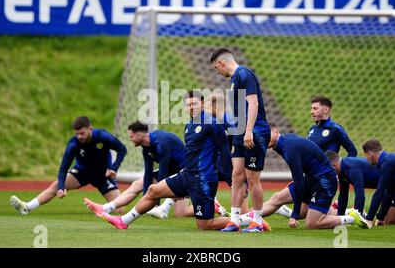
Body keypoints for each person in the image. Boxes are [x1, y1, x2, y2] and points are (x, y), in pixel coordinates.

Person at [98, 91, 269, 231]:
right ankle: (123, 221)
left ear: (202, 104)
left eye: (194, 103)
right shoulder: (189, 125)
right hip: (187, 174)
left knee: (204, 225)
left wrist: (231, 180)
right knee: (152, 190)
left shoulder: (212, 124)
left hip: (203, 180)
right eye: (188, 104)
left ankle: (249, 220)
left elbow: (224, 152)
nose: (191, 107)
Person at [247, 123, 368, 229]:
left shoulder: (289, 147)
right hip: (311, 179)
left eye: (266, 134)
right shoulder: (284, 144)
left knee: (312, 224)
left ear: (276, 132)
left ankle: (351, 217)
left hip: (324, 181)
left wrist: (294, 215)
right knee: (277, 198)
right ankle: (241, 218)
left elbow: (299, 182)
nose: (263, 138)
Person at [10, 116, 127, 215]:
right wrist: (61, 187)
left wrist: (114, 167)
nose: (80, 136)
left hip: (103, 175)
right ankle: (26, 207)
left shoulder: (102, 136)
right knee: (55, 186)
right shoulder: (73, 144)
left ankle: (101, 210)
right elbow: (63, 168)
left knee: (120, 209)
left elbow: (122, 149)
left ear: (90, 129)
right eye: (77, 134)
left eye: (82, 133)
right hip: (81, 173)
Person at [211, 48, 270, 233]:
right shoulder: (234, 80)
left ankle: (258, 222)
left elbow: (254, 103)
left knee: (252, 179)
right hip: (239, 131)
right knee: (236, 176)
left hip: (254, 132)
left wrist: (249, 131)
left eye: (216, 68)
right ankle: (235, 220)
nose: (217, 72)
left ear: (221, 63)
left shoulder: (244, 74)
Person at [84, 121, 190, 218]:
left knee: (181, 213)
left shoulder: (161, 142)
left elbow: (164, 169)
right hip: (172, 170)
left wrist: (156, 197)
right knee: (137, 184)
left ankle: (203, 209)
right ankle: (105, 208)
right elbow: (148, 173)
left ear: (140, 135)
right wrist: (148, 200)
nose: (130, 139)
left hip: (187, 171)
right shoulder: (146, 147)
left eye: (131, 136)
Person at [362, 139, 395, 227]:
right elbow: (389, 192)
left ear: (370, 154)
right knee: (390, 219)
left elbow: (379, 192)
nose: (366, 158)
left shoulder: (387, 164)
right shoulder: (389, 161)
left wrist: (369, 219)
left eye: (365, 155)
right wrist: (380, 217)